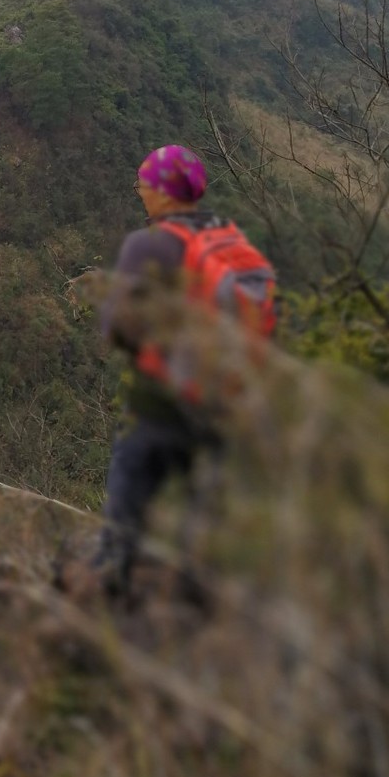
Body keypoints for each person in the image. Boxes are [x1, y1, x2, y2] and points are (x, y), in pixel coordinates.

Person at [94, 143, 275, 600]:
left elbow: (116, 327)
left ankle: (109, 594)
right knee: (202, 536)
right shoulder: (230, 237)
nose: (138, 190)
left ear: (163, 191)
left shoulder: (150, 243)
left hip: (162, 406)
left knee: (125, 514)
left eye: (144, 182)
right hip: (223, 409)